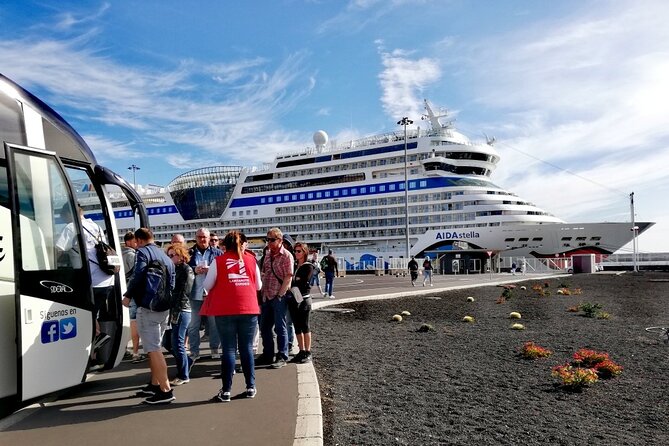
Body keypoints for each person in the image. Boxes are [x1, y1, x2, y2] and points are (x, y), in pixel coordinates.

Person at [202, 230, 262, 402]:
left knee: (228, 349)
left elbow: (207, 284)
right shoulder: (251, 260)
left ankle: (226, 390)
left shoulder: (218, 260)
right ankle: (251, 387)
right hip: (248, 308)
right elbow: (258, 286)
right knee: (247, 348)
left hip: (225, 309)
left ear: (224, 245)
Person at [123, 228, 176, 404]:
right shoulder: (165, 256)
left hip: (148, 307)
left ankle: (165, 390)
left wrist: (128, 295)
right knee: (156, 346)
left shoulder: (142, 253)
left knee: (153, 349)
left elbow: (137, 276)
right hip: (164, 307)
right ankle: (155, 384)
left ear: (138, 240)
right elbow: (172, 282)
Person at [56, 204, 114, 357]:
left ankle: (96, 338)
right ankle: (94, 349)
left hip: (91, 280)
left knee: (85, 315)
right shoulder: (96, 226)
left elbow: (58, 250)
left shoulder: (71, 227)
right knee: (91, 314)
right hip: (106, 280)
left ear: (69, 214)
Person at [258, 227, 293, 369]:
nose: (269, 242)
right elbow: (265, 272)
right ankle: (268, 354)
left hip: (279, 296)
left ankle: (282, 356)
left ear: (280, 240)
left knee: (280, 327)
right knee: (264, 327)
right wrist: (264, 292)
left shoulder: (286, 256)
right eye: (267, 240)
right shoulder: (267, 254)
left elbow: (288, 277)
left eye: (272, 240)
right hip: (267, 295)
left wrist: (280, 295)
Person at [187, 227, 223, 361]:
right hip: (194, 293)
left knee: (214, 324)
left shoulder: (218, 253)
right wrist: (193, 269)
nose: (202, 239)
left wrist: (211, 270)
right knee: (193, 325)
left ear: (209, 239)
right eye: (199, 237)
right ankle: (194, 352)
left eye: (205, 237)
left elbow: (223, 271)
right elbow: (183, 270)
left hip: (212, 293)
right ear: (195, 238)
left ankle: (214, 349)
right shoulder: (189, 253)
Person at [166, 243, 194, 386]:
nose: (170, 258)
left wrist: (175, 311)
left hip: (182, 309)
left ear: (180, 255)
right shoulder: (174, 269)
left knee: (177, 342)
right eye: (168, 255)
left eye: (172, 255)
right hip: (175, 309)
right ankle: (186, 363)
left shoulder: (186, 270)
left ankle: (183, 374)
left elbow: (184, 292)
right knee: (169, 342)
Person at [287, 242, 315, 363]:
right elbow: (294, 281)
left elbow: (304, 282)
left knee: (305, 325)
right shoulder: (294, 266)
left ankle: (308, 352)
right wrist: (295, 281)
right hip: (293, 299)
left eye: (299, 251)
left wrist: (295, 281)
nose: (296, 253)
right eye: (295, 251)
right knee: (297, 326)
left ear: (305, 252)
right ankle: (301, 350)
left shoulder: (308, 266)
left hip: (304, 299)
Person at [121, 231, 144, 362]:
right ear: (129, 242)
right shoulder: (133, 256)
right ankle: (135, 352)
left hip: (122, 292)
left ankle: (123, 349)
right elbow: (137, 275)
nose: (137, 243)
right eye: (135, 241)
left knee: (126, 322)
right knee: (134, 322)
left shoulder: (119, 255)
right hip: (132, 292)